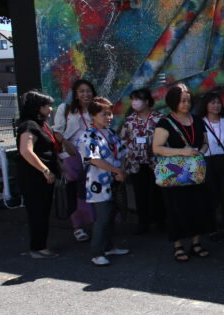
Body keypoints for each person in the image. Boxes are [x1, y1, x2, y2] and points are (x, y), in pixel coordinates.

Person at [152, 83, 216, 262]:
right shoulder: (165, 122)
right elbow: (157, 148)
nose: (186, 104)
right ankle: (178, 245)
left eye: (188, 100)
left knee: (197, 207)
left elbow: (205, 142)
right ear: (173, 102)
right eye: (182, 101)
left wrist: (200, 153)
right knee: (176, 209)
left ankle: (196, 243)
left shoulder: (197, 120)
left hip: (195, 172)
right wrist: (182, 152)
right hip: (175, 174)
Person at [79, 97, 129, 266]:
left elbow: (121, 153)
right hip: (99, 184)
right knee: (103, 217)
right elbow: (94, 159)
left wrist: (121, 170)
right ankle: (97, 252)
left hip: (115, 180)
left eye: (110, 113)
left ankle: (108, 247)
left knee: (112, 215)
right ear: (93, 115)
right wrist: (117, 170)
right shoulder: (88, 135)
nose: (108, 117)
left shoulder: (111, 132)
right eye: (104, 114)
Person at [16, 90, 63, 259]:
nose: (50, 108)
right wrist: (45, 170)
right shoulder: (29, 125)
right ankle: (38, 248)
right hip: (34, 178)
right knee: (38, 212)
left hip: (43, 177)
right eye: (47, 105)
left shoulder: (41, 124)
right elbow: (26, 151)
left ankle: (40, 245)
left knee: (43, 211)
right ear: (38, 107)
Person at [53, 78, 96, 242]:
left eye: (88, 91)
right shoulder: (66, 109)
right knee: (76, 191)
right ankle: (77, 226)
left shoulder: (95, 108)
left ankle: (95, 223)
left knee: (93, 189)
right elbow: (56, 131)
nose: (86, 94)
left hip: (92, 154)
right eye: (81, 91)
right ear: (76, 94)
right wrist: (65, 143)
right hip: (71, 155)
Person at [119, 88, 165, 235]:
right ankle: (143, 223)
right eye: (133, 99)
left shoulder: (159, 118)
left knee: (157, 193)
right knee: (140, 194)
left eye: (138, 99)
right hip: (136, 163)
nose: (135, 102)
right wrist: (125, 162)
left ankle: (160, 221)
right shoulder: (129, 120)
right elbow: (123, 141)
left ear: (147, 101)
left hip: (156, 162)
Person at [197, 90, 224, 238]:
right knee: (209, 195)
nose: (216, 105)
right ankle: (211, 228)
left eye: (218, 102)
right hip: (206, 161)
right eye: (212, 102)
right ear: (205, 105)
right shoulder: (199, 122)